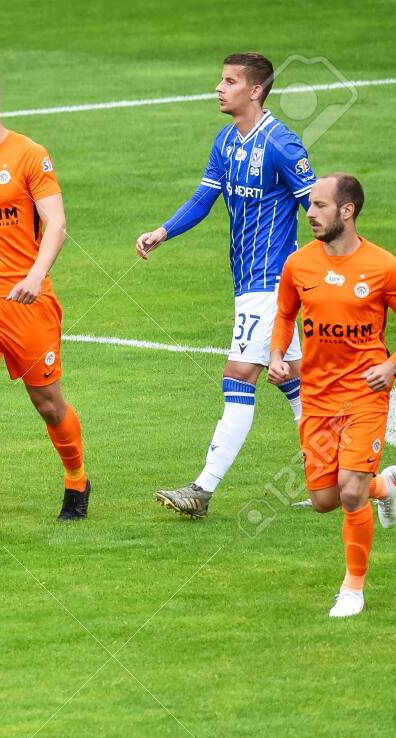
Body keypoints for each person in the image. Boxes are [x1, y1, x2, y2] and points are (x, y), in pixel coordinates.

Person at [138, 52, 315, 517]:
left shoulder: (280, 143)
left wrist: (321, 273)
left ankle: (202, 489)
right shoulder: (226, 140)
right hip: (248, 282)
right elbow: (205, 196)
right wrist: (164, 231)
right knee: (296, 380)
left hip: (271, 283)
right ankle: (355, 479)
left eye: (230, 81)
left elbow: (318, 208)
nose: (219, 88)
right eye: (221, 79)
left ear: (255, 90)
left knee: (238, 376)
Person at [0, 72, 89, 542]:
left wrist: (34, 275)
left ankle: (76, 479)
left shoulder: (29, 154)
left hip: (26, 303)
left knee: (48, 404)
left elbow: (56, 223)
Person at [268, 174, 396, 618]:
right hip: (318, 398)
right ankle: (389, 486)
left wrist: (391, 365)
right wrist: (276, 355)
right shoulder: (299, 265)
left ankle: (352, 589)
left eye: (320, 206)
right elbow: (285, 314)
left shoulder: (382, 266)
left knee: (350, 492)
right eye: (310, 205)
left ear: (348, 211)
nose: (309, 213)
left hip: (365, 395)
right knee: (325, 499)